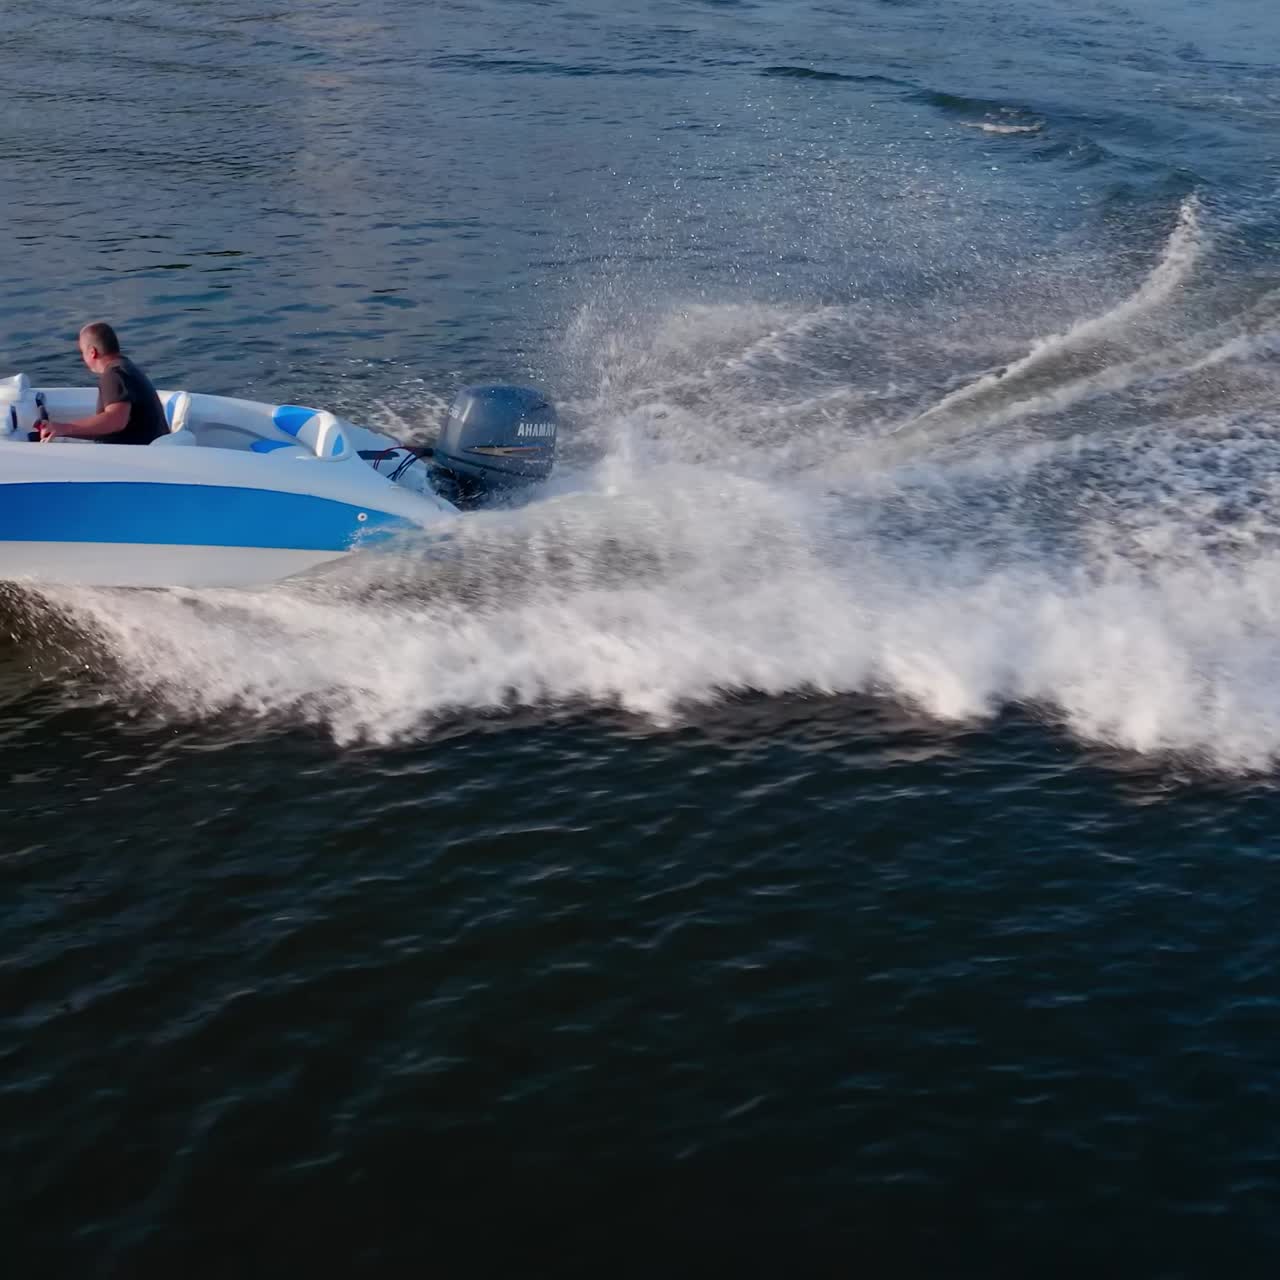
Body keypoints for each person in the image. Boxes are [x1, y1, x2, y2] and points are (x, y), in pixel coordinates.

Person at [39, 322, 168, 445]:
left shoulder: (114, 374)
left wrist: (63, 428)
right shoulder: (126, 367)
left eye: (82, 352)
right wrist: (61, 430)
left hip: (137, 457)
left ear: (92, 352)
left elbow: (116, 420)